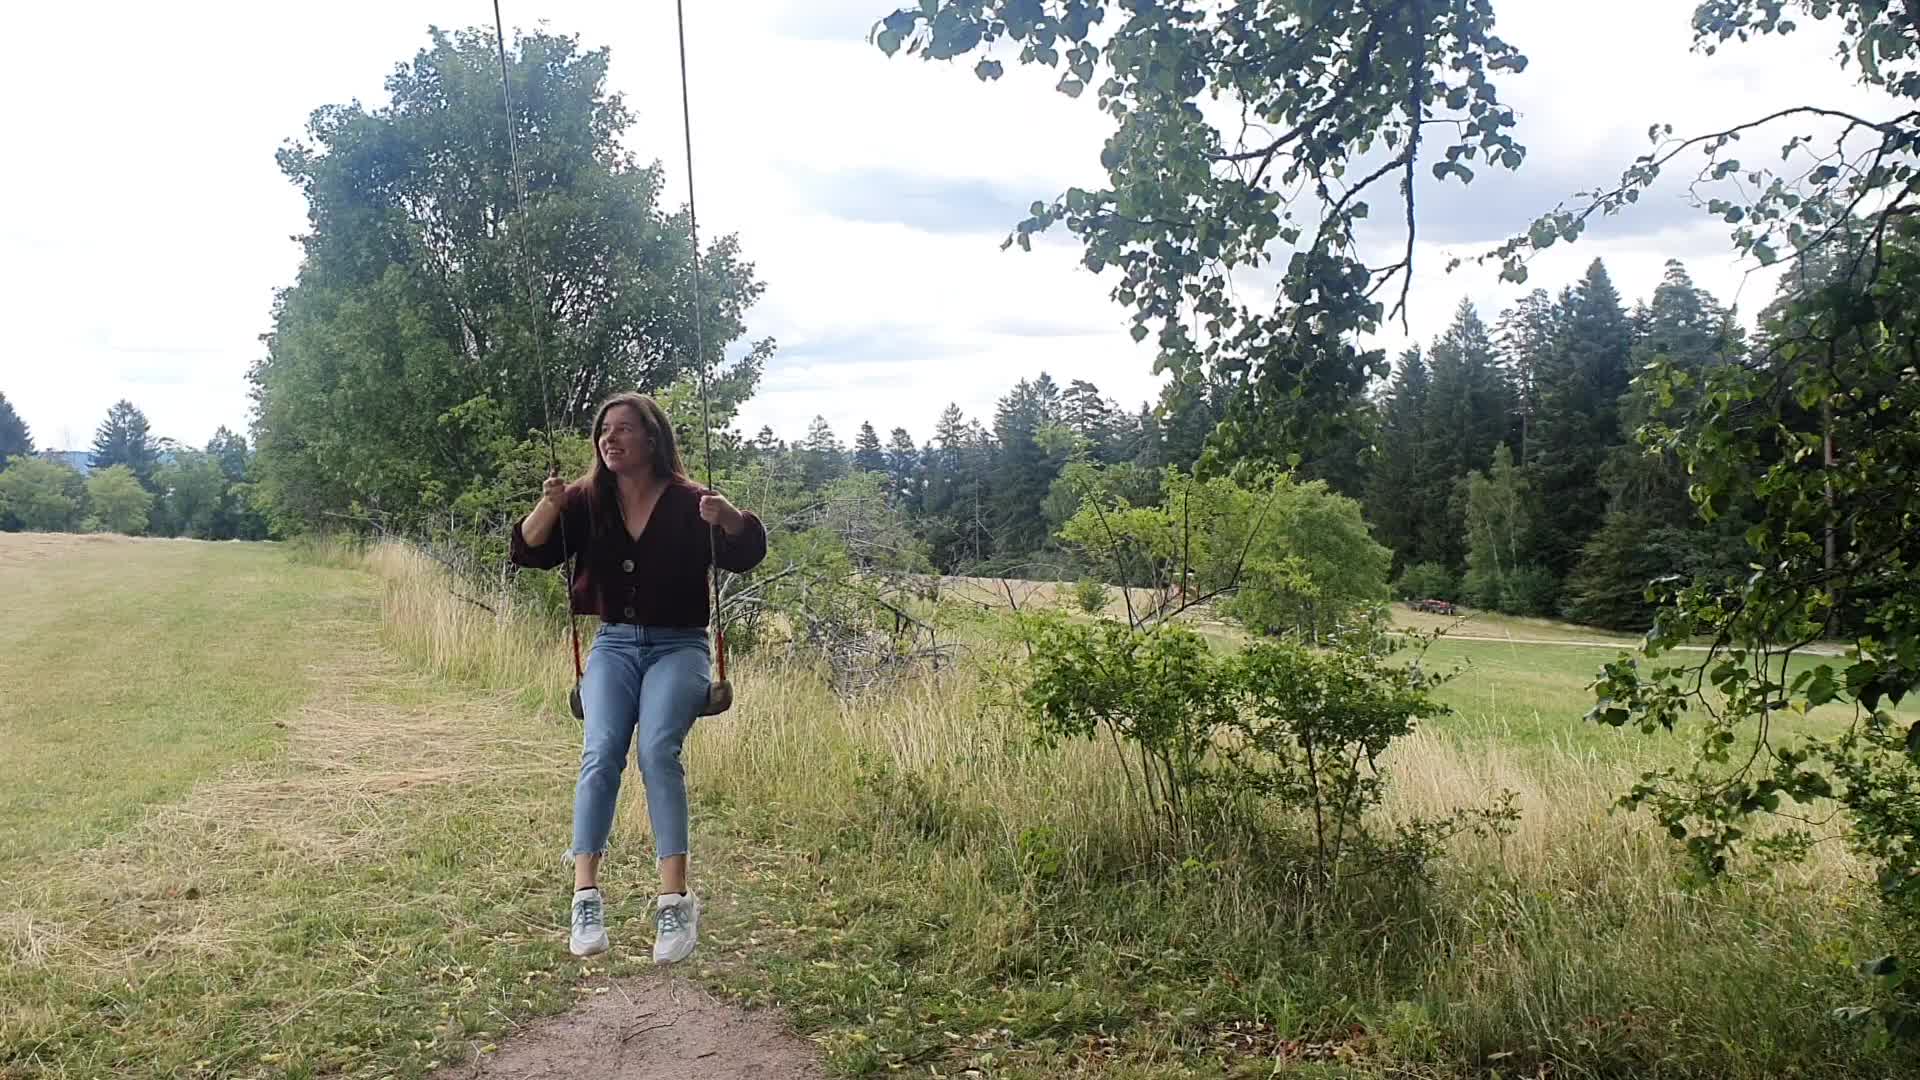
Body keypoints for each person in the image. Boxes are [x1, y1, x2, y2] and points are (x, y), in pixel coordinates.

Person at [510, 391, 767, 963]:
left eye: (624, 428)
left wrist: (728, 516)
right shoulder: (584, 499)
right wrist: (548, 506)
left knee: (656, 752)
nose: (611, 438)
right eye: (605, 430)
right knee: (601, 751)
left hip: (679, 645)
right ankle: (585, 898)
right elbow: (528, 550)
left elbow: (747, 551)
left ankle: (674, 902)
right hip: (614, 645)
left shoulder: (691, 501)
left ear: (652, 438)